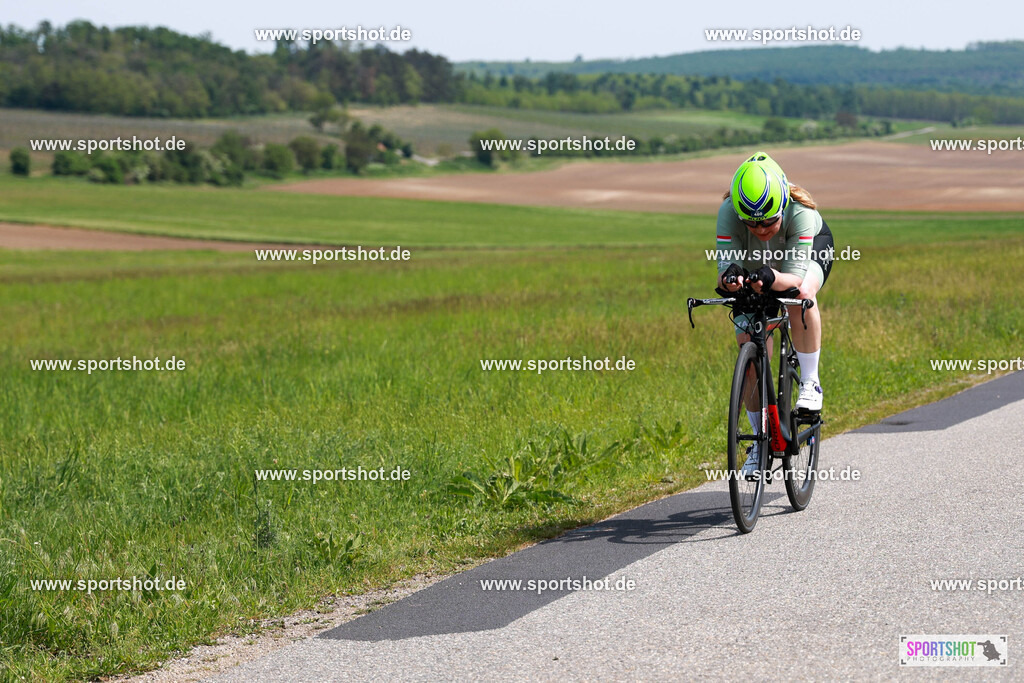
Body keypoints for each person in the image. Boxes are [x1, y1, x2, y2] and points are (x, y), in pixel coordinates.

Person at [715, 152, 833, 475]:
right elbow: (723, 275)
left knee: (800, 296)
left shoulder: (801, 214)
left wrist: (770, 278)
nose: (761, 229)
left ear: (782, 207)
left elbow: (793, 279)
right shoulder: (728, 213)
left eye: (769, 221)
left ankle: (811, 382)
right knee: (749, 338)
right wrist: (732, 278)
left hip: (805, 256)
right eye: (752, 223)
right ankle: (759, 438)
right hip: (760, 263)